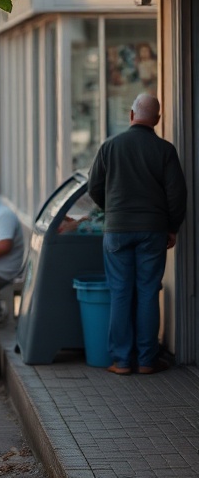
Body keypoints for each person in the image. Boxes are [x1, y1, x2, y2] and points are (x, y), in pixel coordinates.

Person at [87, 93, 186, 376]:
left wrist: (114, 210)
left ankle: (121, 360)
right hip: (152, 231)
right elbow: (177, 194)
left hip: (117, 231)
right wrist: (172, 226)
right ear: (157, 119)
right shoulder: (165, 150)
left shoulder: (110, 146)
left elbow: (94, 187)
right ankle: (146, 360)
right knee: (146, 293)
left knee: (119, 293)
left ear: (131, 115)